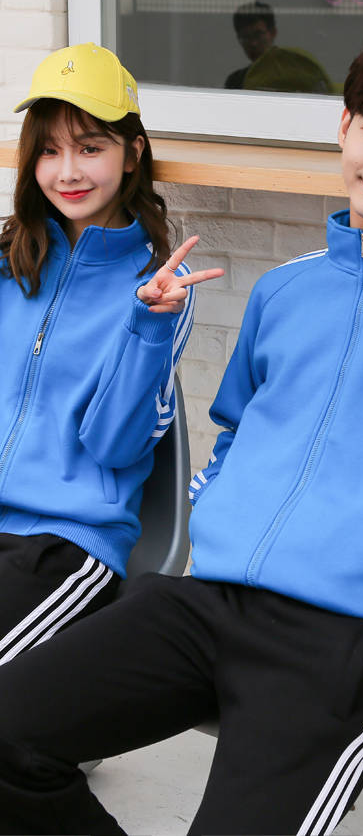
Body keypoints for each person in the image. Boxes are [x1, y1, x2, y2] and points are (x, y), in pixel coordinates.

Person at [0, 29, 363, 836]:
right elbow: (235, 435)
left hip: (345, 632)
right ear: (343, 127)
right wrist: (216, 511)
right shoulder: (284, 292)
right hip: (206, 602)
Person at [0, 42, 223, 665]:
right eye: (49, 151)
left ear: (133, 153)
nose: (67, 172)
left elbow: (116, 448)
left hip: (67, 542)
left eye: (90, 148)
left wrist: (147, 327)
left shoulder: (158, 289)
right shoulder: (8, 261)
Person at [224, 0, 277, 89]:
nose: (253, 43)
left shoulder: (291, 74)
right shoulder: (236, 81)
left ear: (273, 33)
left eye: (258, 35)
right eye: (246, 37)